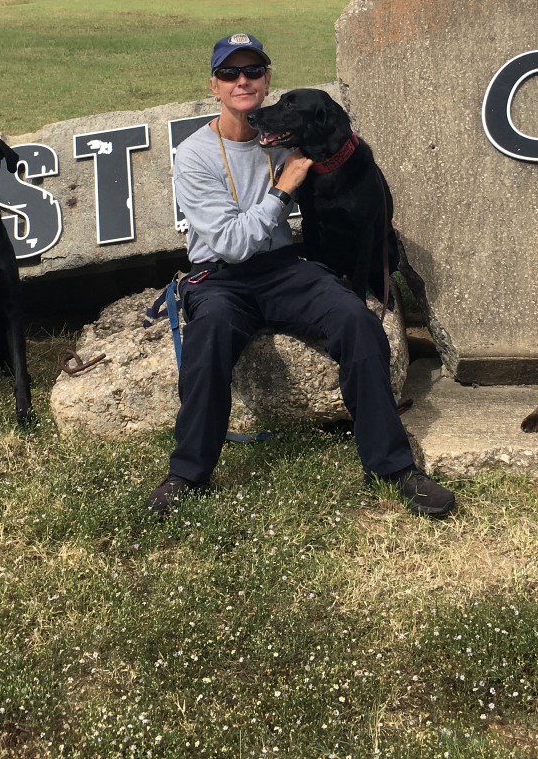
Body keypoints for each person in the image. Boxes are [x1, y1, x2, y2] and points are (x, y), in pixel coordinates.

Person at [146, 32, 456, 517]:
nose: (242, 81)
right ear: (215, 85)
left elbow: (345, 159)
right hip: (222, 276)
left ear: (267, 80)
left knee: (357, 321)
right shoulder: (194, 156)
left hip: (283, 269)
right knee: (207, 338)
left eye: (253, 72)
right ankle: (187, 473)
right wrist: (284, 187)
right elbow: (229, 242)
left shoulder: (286, 137)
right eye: (230, 73)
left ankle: (393, 468)